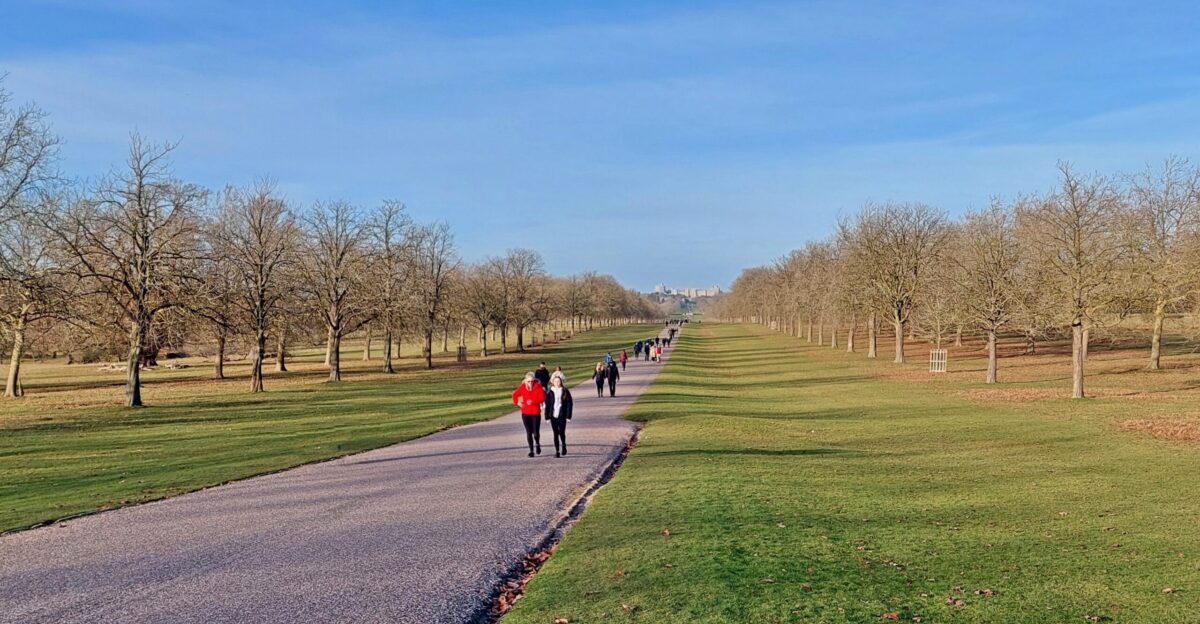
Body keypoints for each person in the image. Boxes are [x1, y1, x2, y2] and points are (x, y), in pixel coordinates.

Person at [512, 373, 546, 457]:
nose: (530, 383)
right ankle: (531, 450)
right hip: (525, 412)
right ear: (525, 381)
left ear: (534, 380)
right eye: (528, 381)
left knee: (535, 432)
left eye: (532, 381)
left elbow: (542, 398)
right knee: (528, 432)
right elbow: (514, 395)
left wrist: (533, 401)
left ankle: (537, 443)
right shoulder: (523, 387)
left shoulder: (538, 387)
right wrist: (517, 402)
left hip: (535, 412)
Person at [544, 375, 573, 457]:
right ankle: (557, 451)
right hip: (553, 415)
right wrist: (547, 416)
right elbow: (548, 405)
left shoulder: (565, 391)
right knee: (555, 433)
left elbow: (569, 404)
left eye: (558, 381)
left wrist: (568, 416)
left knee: (561, 432)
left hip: (562, 415)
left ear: (561, 382)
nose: (557, 383)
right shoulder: (550, 392)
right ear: (553, 382)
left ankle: (563, 445)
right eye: (555, 381)